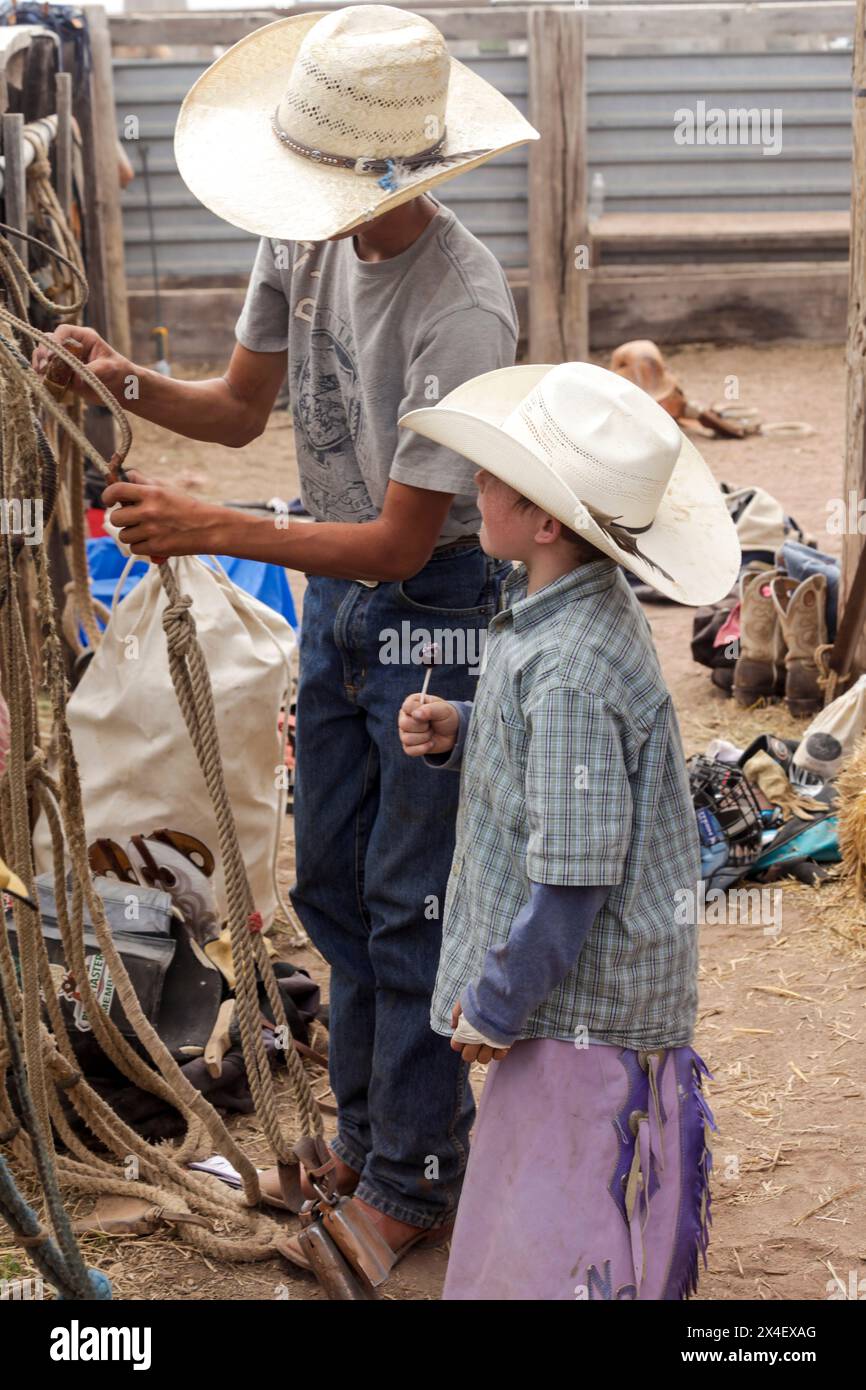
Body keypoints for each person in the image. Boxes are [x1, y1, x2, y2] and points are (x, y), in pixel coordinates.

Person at [33, 5, 537, 1264]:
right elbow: (238, 404)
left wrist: (212, 531)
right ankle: (367, 1147)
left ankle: (413, 1186)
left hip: (433, 615)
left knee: (406, 900)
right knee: (331, 885)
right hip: (340, 596)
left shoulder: (460, 306)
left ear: (392, 171)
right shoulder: (300, 236)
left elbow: (401, 546)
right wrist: (119, 381)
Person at [397, 360, 741, 1300]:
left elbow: (574, 880)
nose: (476, 484)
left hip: (580, 1023)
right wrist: (467, 731)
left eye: (495, 475)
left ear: (546, 521)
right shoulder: (562, 619)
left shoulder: (573, 671)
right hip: (575, 1008)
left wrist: (495, 1005)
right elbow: (566, 783)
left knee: (566, 1233)